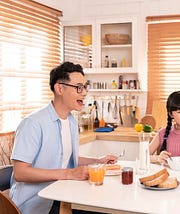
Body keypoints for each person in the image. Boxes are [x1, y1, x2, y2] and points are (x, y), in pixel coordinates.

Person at [9, 62, 118, 214]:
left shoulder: (71, 122)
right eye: (79, 87)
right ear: (60, 88)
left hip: (62, 196)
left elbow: (66, 158)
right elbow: (21, 173)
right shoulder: (33, 123)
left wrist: (98, 161)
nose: (85, 92)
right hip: (36, 205)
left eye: (85, 87)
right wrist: (69, 173)